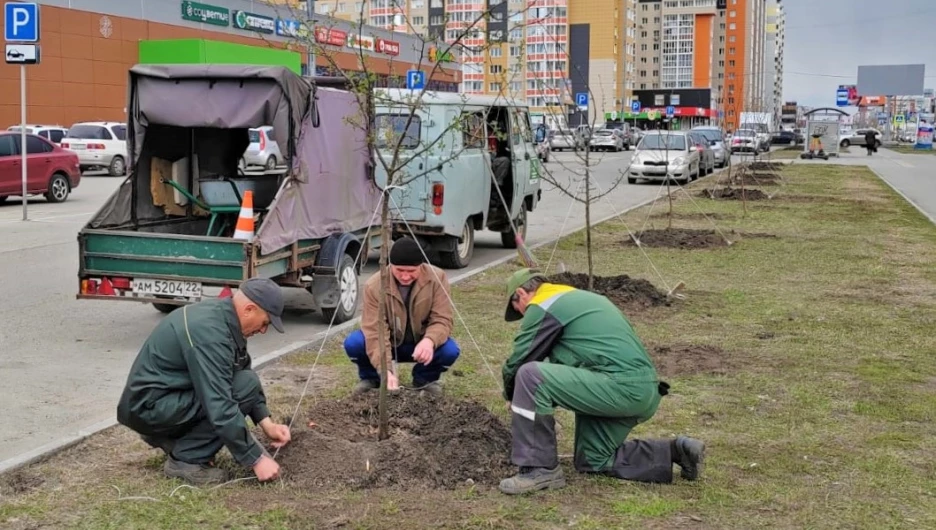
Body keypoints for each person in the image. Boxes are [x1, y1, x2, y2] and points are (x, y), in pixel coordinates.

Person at [498, 268, 705, 495]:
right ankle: (676, 452)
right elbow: (570, 368)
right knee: (592, 459)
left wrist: (512, 393)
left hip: (618, 387)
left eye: (518, 310)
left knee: (530, 375)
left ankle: (539, 469)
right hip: (641, 389)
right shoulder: (581, 300)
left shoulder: (544, 304)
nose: (522, 317)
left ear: (522, 293)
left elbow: (520, 359)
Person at [116, 278, 292, 485]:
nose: (263, 330)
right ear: (249, 309)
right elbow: (219, 403)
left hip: (162, 400)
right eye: (265, 323)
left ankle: (175, 440)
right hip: (149, 408)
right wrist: (256, 458)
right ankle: (186, 459)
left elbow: (240, 369)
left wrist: (267, 423)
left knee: (246, 381)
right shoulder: (210, 334)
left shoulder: (223, 317)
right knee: (241, 387)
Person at [344, 237, 460, 396]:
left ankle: (424, 380)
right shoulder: (374, 285)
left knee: (449, 350)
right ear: (390, 266)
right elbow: (374, 331)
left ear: (421, 266)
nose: (405, 277)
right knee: (355, 343)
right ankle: (373, 379)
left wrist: (429, 340)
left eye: (411, 271)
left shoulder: (437, 278)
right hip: (390, 343)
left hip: (420, 344)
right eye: (399, 271)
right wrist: (386, 370)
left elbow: (442, 319)